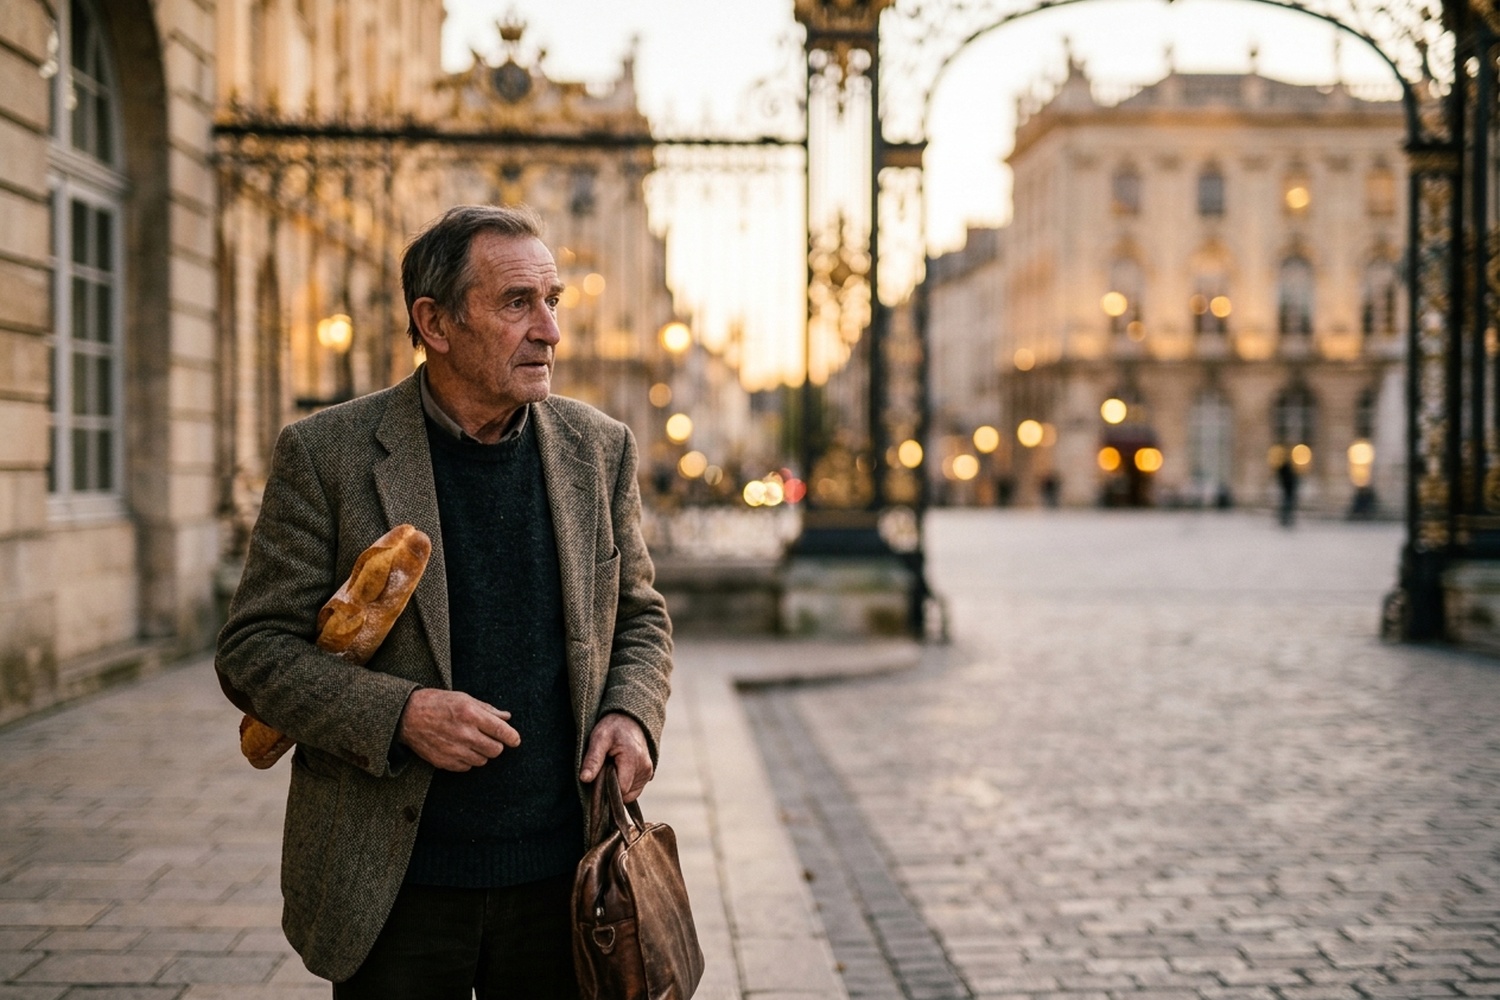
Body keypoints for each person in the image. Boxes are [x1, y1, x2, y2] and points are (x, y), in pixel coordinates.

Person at [215, 204, 673, 998]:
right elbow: (254, 652)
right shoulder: (327, 455)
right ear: (434, 322)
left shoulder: (600, 449)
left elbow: (638, 615)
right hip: (394, 886)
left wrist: (632, 713)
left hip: (562, 881)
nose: (550, 332)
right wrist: (401, 713)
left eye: (552, 301)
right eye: (515, 303)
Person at [1276, 455, 1299, 526]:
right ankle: (1285, 520)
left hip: (1287, 491)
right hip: (1288, 491)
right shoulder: (1288, 473)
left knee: (1286, 507)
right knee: (1287, 507)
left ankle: (1285, 520)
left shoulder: (1284, 473)